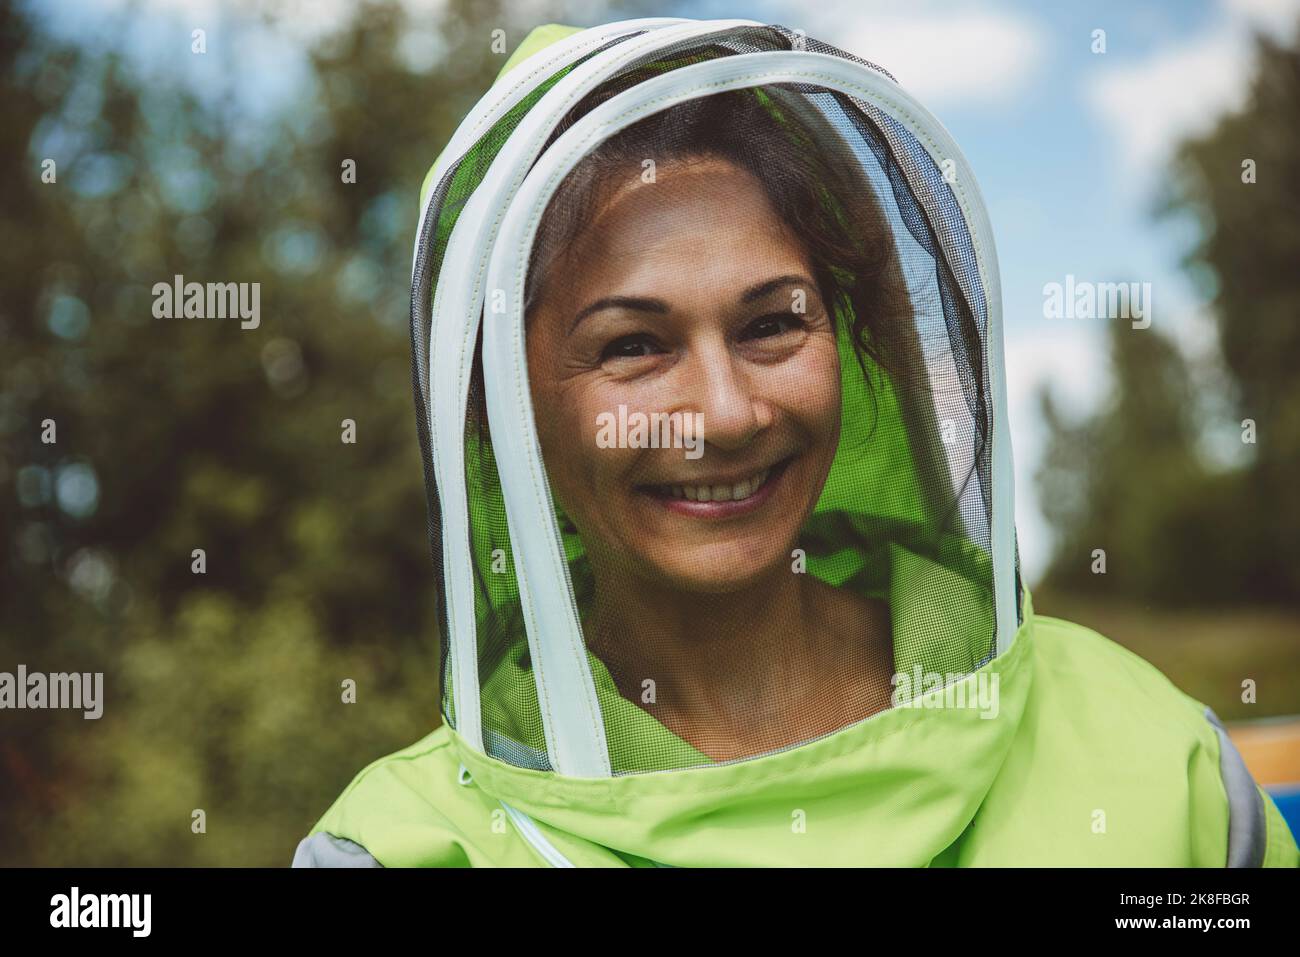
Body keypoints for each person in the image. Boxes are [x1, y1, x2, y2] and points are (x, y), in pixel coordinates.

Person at [293, 19, 1299, 867]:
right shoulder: (401, 852)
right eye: (633, 345)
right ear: (498, 406)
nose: (725, 413)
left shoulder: (1162, 767)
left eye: (771, 324)